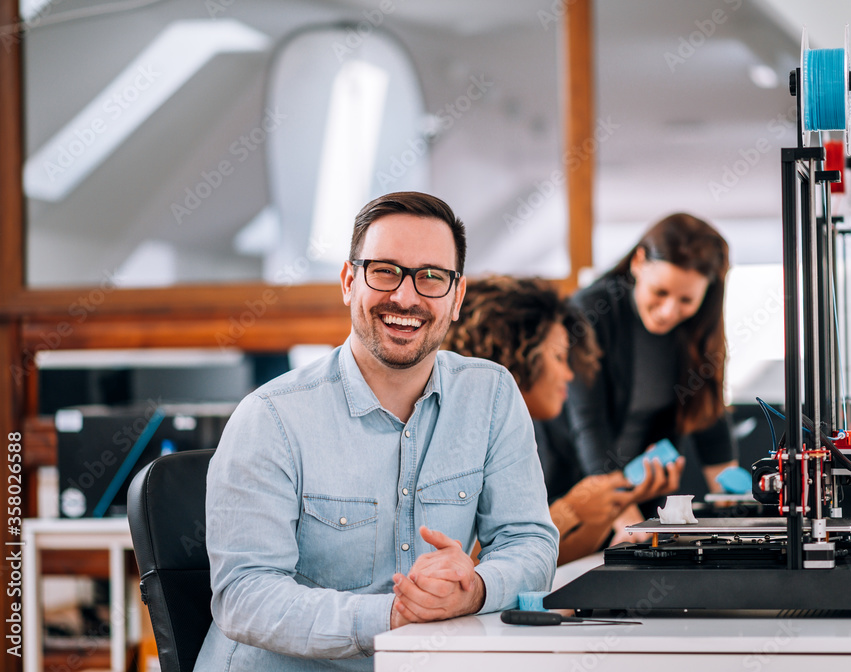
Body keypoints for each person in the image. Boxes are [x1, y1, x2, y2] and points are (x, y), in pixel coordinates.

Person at [196, 193, 559, 671]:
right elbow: (244, 595)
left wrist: (477, 588)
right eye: (385, 271)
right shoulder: (270, 418)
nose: (406, 297)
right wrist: (392, 614)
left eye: (431, 277)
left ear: (457, 297)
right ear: (349, 281)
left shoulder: (491, 395)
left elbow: (529, 541)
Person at [444, 276, 681, 565]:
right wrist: (571, 511)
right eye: (558, 357)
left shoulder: (513, 440)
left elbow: (544, 561)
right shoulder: (457, 439)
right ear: (515, 356)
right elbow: (468, 561)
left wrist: (602, 512)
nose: (569, 375)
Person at [566, 212, 738, 537]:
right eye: (660, 292)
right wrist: (628, 524)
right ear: (638, 262)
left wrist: (737, 512)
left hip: (642, 499)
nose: (669, 311)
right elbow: (589, 427)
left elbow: (707, 416)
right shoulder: (589, 313)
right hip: (578, 495)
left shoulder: (696, 329)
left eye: (686, 299)